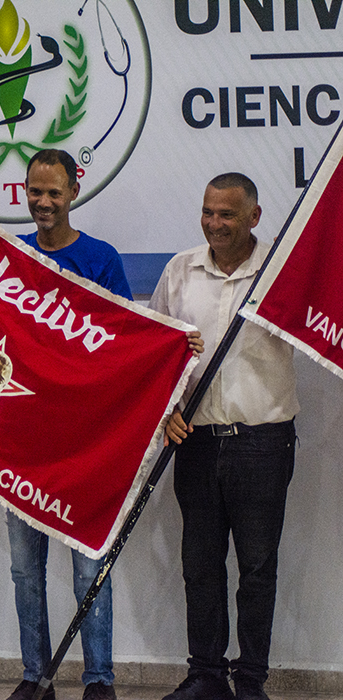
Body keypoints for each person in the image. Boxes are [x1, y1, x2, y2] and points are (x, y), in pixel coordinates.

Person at [0, 149, 132, 700]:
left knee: (90, 571)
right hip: (22, 444)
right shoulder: (9, 256)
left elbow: (128, 342)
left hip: (86, 446)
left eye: (53, 192)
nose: (42, 202)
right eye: (34, 192)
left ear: (73, 192)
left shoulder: (101, 259)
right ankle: (35, 676)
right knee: (24, 572)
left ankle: (99, 679)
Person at [150, 173, 298, 700]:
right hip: (196, 441)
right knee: (200, 567)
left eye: (227, 215)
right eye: (208, 212)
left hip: (264, 442)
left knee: (257, 569)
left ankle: (251, 680)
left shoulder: (281, 272)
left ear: (254, 217)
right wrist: (164, 412)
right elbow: (156, 356)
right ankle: (205, 676)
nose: (214, 224)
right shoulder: (180, 271)